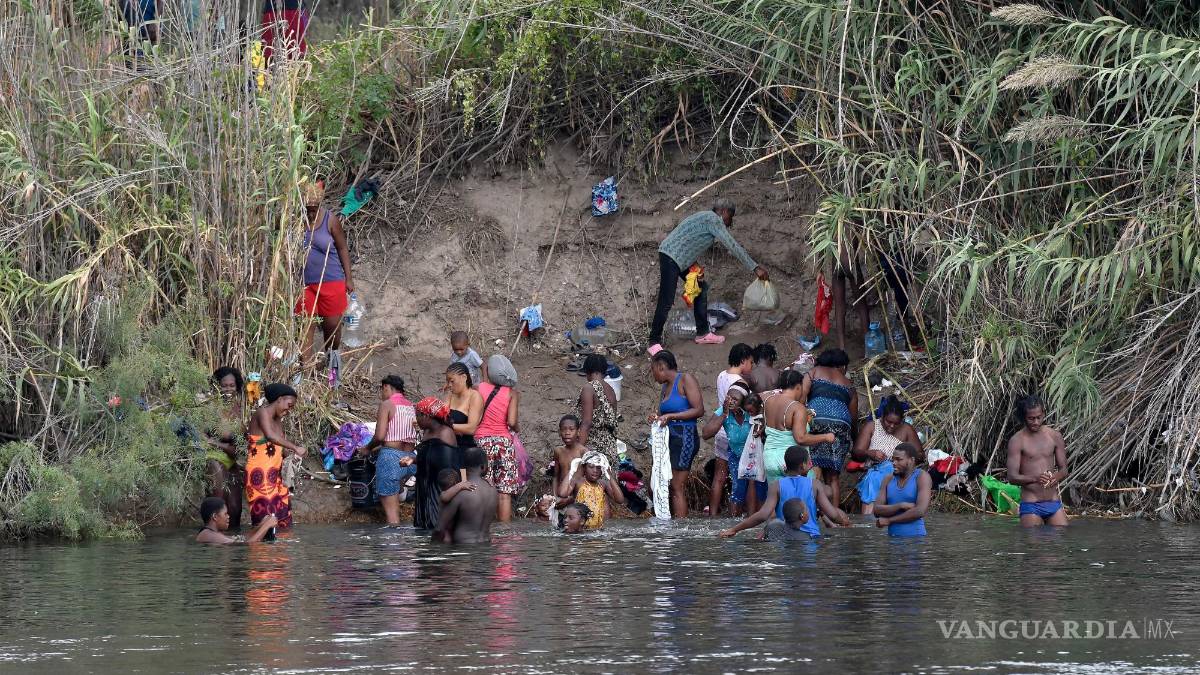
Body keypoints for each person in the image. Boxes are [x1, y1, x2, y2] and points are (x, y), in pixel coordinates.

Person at [647, 199, 770, 353]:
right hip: (671, 257)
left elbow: (688, 242)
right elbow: (732, 245)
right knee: (666, 299)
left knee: (701, 287)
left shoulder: (704, 217)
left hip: (678, 257)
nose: (730, 223)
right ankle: (653, 342)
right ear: (724, 211)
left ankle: (703, 333)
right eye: (730, 217)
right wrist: (755, 267)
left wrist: (695, 267)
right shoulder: (713, 219)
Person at [719, 446, 850, 539]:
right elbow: (832, 514)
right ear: (802, 466)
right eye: (808, 462)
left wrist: (734, 529)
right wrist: (844, 521)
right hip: (810, 537)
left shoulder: (776, 485)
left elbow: (762, 515)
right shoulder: (814, 484)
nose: (810, 464)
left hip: (784, 537)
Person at [295, 181, 354, 370]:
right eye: (308, 205)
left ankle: (333, 373)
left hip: (332, 282)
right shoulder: (297, 221)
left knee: (332, 330)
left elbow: (343, 248)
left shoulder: (330, 220)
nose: (311, 209)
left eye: (314, 205)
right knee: (305, 327)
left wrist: (349, 278)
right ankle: (303, 374)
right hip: (305, 284)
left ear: (320, 202)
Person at [800, 348, 859, 508]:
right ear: (841, 366)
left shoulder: (813, 372)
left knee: (814, 468)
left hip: (816, 420)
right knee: (833, 477)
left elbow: (801, 399)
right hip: (841, 426)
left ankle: (810, 512)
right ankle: (834, 516)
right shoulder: (849, 386)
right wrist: (855, 442)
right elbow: (853, 418)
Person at [357, 376, 419, 525]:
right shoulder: (411, 406)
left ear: (386, 387)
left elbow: (379, 436)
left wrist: (367, 448)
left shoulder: (387, 404)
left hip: (391, 460)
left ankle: (392, 546)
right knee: (395, 496)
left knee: (392, 517)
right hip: (410, 459)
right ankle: (401, 491)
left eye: (382, 390)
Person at [650, 350, 703, 518]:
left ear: (661, 367)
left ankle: (680, 528)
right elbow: (662, 414)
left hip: (685, 437)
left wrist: (672, 416)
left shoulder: (685, 379)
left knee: (676, 485)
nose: (653, 375)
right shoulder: (665, 387)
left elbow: (699, 410)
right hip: (670, 439)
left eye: (653, 370)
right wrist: (656, 418)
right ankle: (672, 523)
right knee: (668, 484)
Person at [245, 384, 306, 528]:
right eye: (289, 405)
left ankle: (281, 550)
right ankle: (262, 550)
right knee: (265, 522)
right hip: (259, 476)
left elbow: (279, 447)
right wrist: (295, 447)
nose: (289, 410)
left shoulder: (278, 421)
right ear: (279, 399)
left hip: (277, 477)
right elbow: (271, 436)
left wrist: (293, 456)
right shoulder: (262, 413)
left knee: (283, 520)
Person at [852, 396, 923, 514]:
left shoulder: (907, 429)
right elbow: (856, 452)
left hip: (897, 471)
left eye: (896, 423)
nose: (891, 426)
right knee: (874, 479)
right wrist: (870, 453)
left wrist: (904, 457)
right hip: (876, 470)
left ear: (902, 420)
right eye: (888, 422)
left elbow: (920, 455)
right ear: (882, 416)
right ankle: (867, 523)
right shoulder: (872, 426)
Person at [1006, 395, 1069, 527]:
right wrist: (1036, 478)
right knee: (1034, 545)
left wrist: (1055, 477)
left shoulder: (1054, 436)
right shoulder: (1017, 440)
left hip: (1053, 502)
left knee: (1062, 538)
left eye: (1039, 417)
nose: (1035, 422)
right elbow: (1012, 477)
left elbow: (1064, 469)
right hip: (1031, 504)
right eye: (1031, 418)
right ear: (1024, 417)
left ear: (1044, 414)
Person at [762, 370, 837, 480]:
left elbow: (755, 396)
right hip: (791, 461)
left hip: (769, 460)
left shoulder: (768, 399)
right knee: (807, 489)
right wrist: (826, 437)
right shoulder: (797, 408)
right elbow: (801, 438)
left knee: (780, 494)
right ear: (798, 386)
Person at [702, 383, 761, 517]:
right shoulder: (723, 411)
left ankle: (752, 520)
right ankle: (734, 521)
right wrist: (723, 415)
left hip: (754, 455)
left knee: (753, 484)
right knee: (737, 490)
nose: (730, 401)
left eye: (735, 399)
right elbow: (706, 434)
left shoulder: (751, 410)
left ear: (744, 401)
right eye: (729, 397)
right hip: (736, 455)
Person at [475, 355, 521, 522]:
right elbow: (512, 422)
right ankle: (505, 531)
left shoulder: (478, 388)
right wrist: (517, 429)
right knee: (504, 492)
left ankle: (482, 527)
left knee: (483, 486)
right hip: (504, 442)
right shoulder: (512, 393)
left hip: (482, 441)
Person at [204, 366, 245, 529]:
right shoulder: (210, 409)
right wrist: (221, 445)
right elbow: (202, 438)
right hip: (213, 459)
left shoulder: (238, 410)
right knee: (219, 505)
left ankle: (233, 547)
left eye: (232, 386)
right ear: (216, 387)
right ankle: (213, 542)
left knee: (235, 510)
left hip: (231, 460)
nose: (228, 389)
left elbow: (239, 446)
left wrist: (223, 445)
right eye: (224, 385)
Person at [412, 397, 462, 530]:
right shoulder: (427, 432)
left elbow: (447, 468)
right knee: (423, 525)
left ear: (427, 416)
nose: (416, 419)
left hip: (439, 486)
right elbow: (429, 457)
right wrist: (413, 460)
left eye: (418, 415)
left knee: (438, 525)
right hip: (424, 485)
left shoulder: (445, 433)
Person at [434, 447, 497, 544]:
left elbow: (439, 529)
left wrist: (430, 552)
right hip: (486, 546)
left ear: (462, 467)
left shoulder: (459, 491)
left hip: (464, 549)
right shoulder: (493, 490)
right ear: (483, 467)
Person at [873, 443, 931, 536]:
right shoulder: (888, 479)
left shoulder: (921, 477)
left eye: (899, 460)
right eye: (893, 459)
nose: (894, 463)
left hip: (916, 541)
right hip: (892, 542)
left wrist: (889, 520)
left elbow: (920, 511)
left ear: (911, 460)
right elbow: (876, 510)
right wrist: (900, 505)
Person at [558, 451, 625, 530]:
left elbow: (620, 500)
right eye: (591, 466)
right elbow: (562, 493)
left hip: (597, 529)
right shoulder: (577, 481)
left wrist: (609, 475)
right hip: (580, 528)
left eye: (599, 467)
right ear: (584, 468)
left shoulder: (603, 484)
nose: (595, 470)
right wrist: (571, 471)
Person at [575, 354, 620, 465]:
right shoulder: (611, 391)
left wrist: (577, 451)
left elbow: (586, 423)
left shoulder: (589, 388)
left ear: (588, 370)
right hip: (610, 449)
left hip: (593, 449)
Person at [195, 497, 277, 544]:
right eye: (225, 514)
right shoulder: (209, 535)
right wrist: (266, 526)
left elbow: (243, 539)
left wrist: (261, 525)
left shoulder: (212, 533)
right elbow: (248, 545)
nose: (228, 516)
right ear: (215, 516)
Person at [444, 362, 483, 449]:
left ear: (464, 377)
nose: (449, 385)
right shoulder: (450, 395)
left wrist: (446, 426)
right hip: (447, 444)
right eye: (447, 381)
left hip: (464, 448)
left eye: (452, 381)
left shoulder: (474, 396)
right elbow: (441, 415)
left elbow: (471, 428)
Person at [552, 415, 588, 496]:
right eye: (564, 429)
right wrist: (555, 498)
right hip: (562, 492)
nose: (567, 433)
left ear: (578, 432)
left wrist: (571, 499)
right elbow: (555, 477)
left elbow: (587, 480)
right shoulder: (558, 451)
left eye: (571, 429)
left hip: (580, 496)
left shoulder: (584, 452)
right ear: (559, 432)